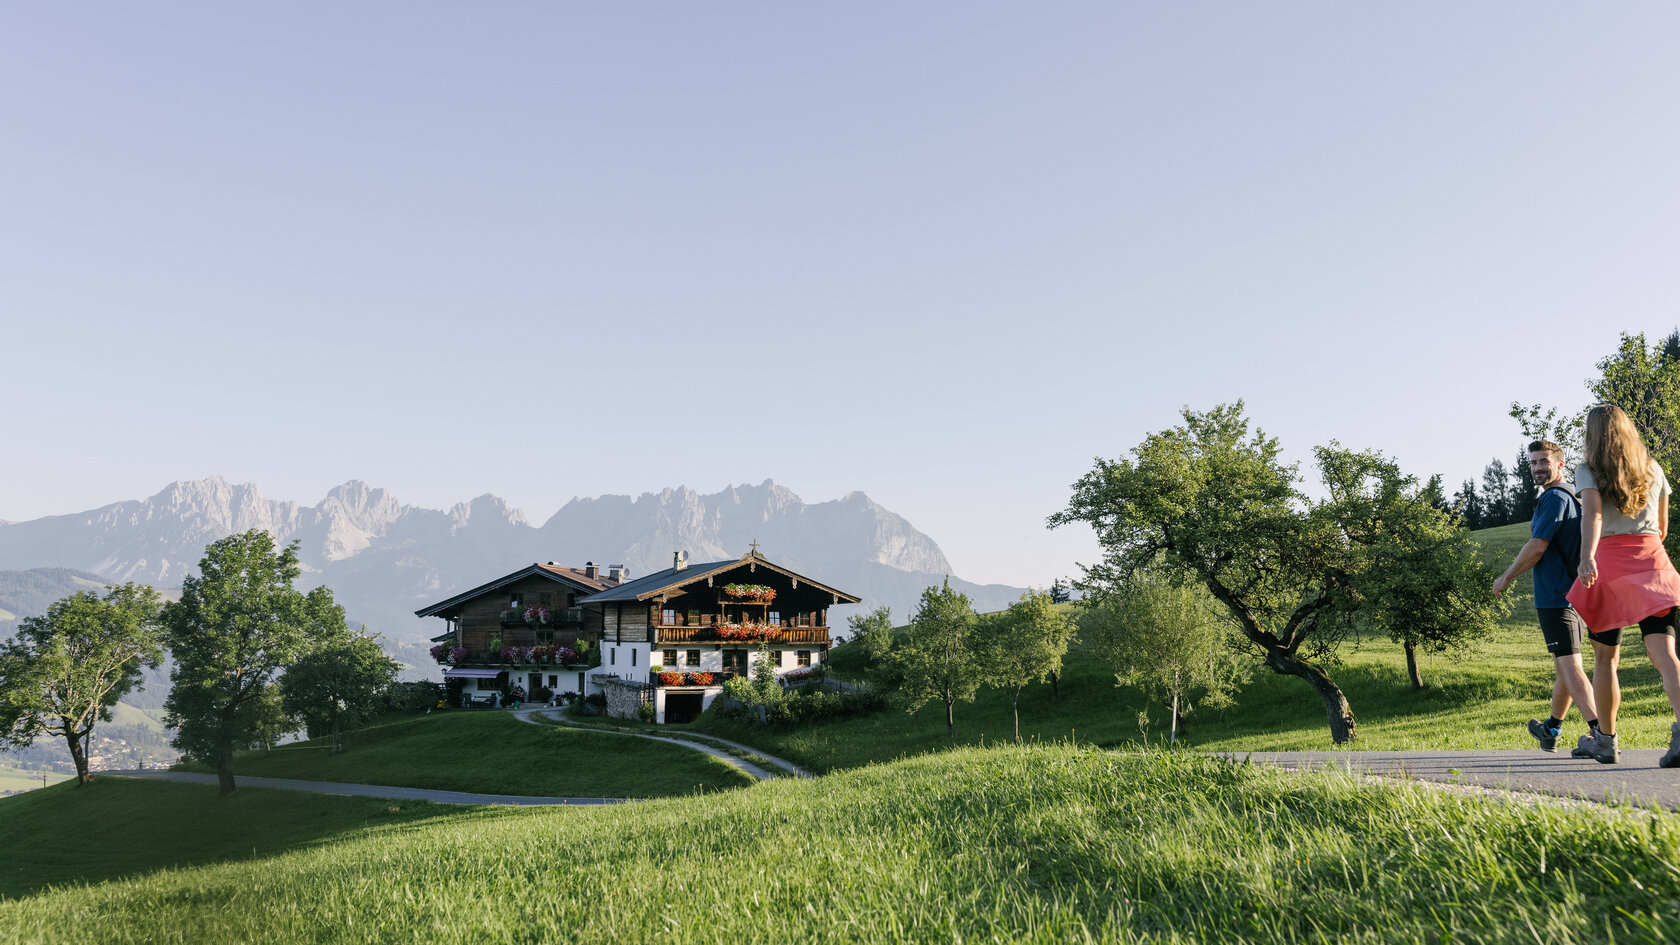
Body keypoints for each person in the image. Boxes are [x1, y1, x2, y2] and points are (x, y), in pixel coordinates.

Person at [1567, 404, 1680, 766]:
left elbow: (1592, 513)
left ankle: (1606, 741)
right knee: (1666, 656)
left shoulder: (1588, 470)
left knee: (1606, 659)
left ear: (1592, 435)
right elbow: (1663, 528)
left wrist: (1587, 557)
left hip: (1610, 569)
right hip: (1654, 563)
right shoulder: (1653, 468)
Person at [1492, 439, 1599, 754]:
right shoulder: (1573, 496)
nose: (1537, 467)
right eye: (1533, 462)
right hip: (1574, 596)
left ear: (1560, 464)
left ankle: (1601, 733)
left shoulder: (1554, 498)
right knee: (1564, 665)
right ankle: (1551, 729)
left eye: (1544, 462)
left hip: (1556, 598)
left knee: (1570, 666)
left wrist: (1506, 577)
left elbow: (1537, 546)